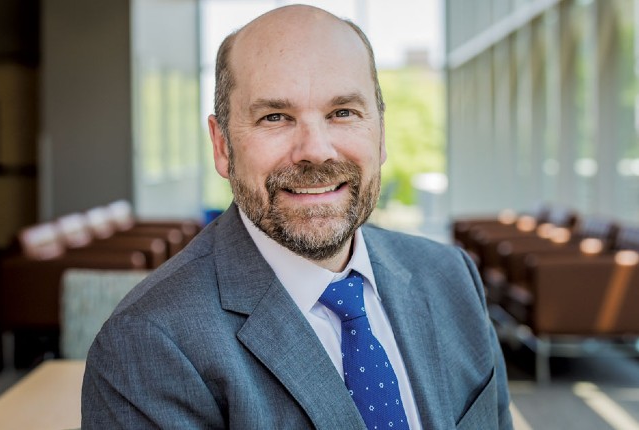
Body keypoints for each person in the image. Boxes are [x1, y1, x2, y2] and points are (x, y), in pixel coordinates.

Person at [82, 5, 513, 429]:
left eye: (343, 112)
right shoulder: (147, 343)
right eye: (275, 117)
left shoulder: (452, 278)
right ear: (222, 146)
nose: (316, 149)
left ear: (380, 132)